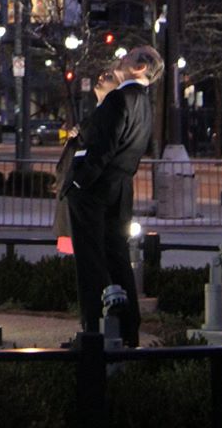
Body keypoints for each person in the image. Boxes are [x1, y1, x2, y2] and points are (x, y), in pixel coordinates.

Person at [60, 45, 164, 346]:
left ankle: (93, 332)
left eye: (130, 55)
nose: (122, 57)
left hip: (95, 190)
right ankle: (126, 330)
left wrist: (79, 183)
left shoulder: (119, 99)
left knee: (91, 261)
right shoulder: (143, 103)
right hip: (120, 189)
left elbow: (103, 148)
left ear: (140, 67)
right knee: (117, 258)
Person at [53, 67, 119, 254]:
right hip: (72, 200)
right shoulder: (95, 116)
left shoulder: (107, 118)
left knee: (84, 264)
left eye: (108, 77)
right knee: (74, 261)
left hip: (81, 202)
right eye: (102, 74)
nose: (101, 78)